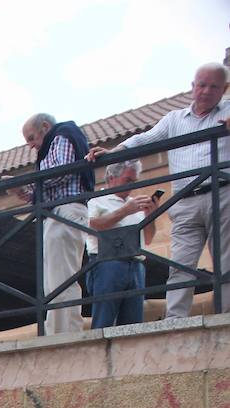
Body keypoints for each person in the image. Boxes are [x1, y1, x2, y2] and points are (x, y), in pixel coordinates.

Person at [89, 63, 230, 320]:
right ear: (192, 86)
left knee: (226, 259)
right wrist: (114, 152)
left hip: (222, 193)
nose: (206, 91)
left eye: (214, 86)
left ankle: (226, 315)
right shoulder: (174, 119)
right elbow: (145, 139)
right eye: (201, 84)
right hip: (184, 199)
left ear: (224, 90)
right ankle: (175, 319)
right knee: (180, 263)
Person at [18, 113, 95, 336]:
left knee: (62, 278)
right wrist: (24, 191)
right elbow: (48, 185)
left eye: (32, 138)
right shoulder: (54, 142)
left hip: (66, 210)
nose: (32, 146)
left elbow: (60, 172)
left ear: (45, 126)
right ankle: (57, 331)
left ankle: (65, 333)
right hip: (58, 212)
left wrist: (30, 180)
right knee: (54, 279)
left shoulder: (62, 135)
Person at [86, 160, 158, 328]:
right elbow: (91, 226)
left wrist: (150, 216)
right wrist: (125, 211)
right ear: (111, 178)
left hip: (136, 264)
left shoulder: (135, 203)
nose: (131, 185)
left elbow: (148, 238)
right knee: (103, 322)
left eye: (134, 181)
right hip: (107, 263)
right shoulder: (96, 200)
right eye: (128, 180)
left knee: (133, 326)